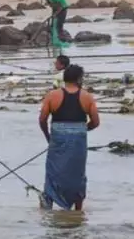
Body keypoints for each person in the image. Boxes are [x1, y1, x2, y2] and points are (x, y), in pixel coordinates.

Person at [38, 64, 100, 211]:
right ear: (79, 79)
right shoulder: (87, 97)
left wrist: (49, 136)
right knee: (77, 174)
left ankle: (48, 207)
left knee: (54, 172)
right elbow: (95, 122)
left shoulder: (52, 96)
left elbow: (42, 119)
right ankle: (77, 211)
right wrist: (82, 130)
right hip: (78, 142)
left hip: (57, 140)